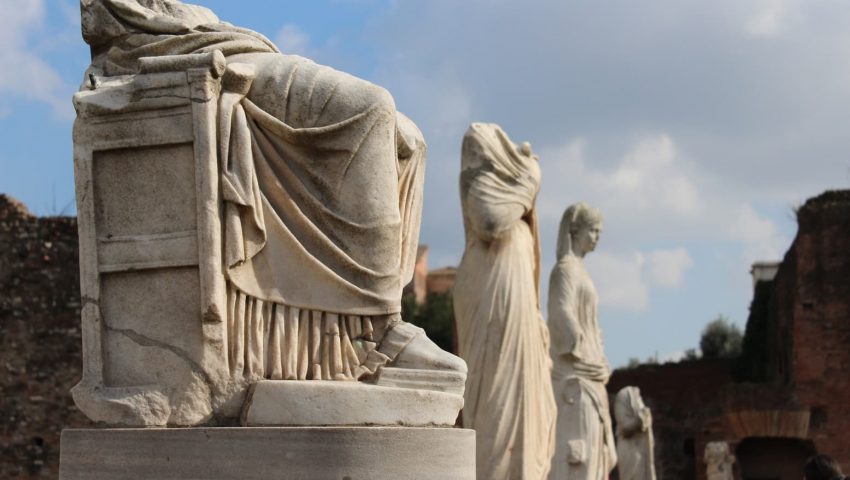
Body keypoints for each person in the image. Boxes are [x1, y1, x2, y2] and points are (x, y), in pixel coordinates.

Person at [80, 0, 463, 381]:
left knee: (408, 138)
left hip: (222, 41)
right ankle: (382, 326)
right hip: (174, 51)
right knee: (373, 109)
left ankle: (358, 331)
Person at [454, 123, 557, 479]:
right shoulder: (481, 184)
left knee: (527, 405)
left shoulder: (521, 223)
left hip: (520, 318)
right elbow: (490, 221)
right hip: (491, 305)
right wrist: (529, 180)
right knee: (494, 405)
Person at [548, 203, 617, 480]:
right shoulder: (564, 270)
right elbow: (561, 313)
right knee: (578, 452)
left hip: (592, 372)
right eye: (594, 231)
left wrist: (601, 359)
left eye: (600, 232)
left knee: (595, 452)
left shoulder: (582, 272)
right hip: (574, 373)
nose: (597, 237)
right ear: (576, 231)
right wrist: (582, 352)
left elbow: (593, 324)